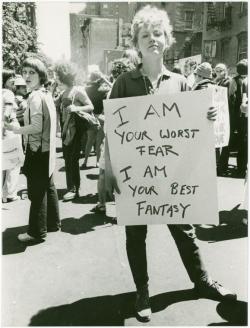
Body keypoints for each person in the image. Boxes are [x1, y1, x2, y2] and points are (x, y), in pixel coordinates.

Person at [105, 6, 236, 323]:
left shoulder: (180, 82)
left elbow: (193, 130)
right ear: (137, 42)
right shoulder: (124, 83)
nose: (152, 39)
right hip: (137, 177)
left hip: (173, 176)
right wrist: (108, 173)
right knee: (136, 235)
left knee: (185, 231)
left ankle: (201, 281)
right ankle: (142, 291)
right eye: (145, 35)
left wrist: (208, 118)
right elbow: (111, 131)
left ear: (167, 40)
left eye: (157, 33)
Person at [5, 57, 61, 242]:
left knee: (37, 193)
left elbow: (36, 126)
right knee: (49, 186)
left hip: (38, 151)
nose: (27, 76)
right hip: (48, 150)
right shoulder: (45, 94)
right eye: (25, 72)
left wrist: (16, 129)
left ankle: (36, 232)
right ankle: (52, 223)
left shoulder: (36, 96)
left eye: (32, 73)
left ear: (40, 75)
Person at [91, 58, 136, 214]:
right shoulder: (134, 90)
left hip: (113, 138)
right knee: (125, 175)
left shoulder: (114, 90)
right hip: (130, 139)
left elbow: (107, 116)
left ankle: (102, 204)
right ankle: (120, 211)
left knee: (105, 173)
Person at [54, 61, 94, 201]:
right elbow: (55, 104)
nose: (56, 78)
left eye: (57, 76)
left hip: (75, 130)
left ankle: (74, 189)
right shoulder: (63, 92)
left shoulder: (78, 90)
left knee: (72, 159)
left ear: (64, 76)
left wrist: (76, 108)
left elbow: (91, 106)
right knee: (68, 159)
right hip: (66, 130)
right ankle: (70, 186)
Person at [82, 70, 111, 169]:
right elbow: (113, 87)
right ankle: (97, 162)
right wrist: (105, 80)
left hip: (91, 117)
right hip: (101, 117)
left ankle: (85, 161)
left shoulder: (87, 89)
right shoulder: (103, 89)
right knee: (99, 142)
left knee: (89, 141)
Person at [2, 89, 23, 203]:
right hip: (9, 127)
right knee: (13, 162)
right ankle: (10, 194)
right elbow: (7, 111)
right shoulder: (8, 93)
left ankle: (4, 193)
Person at [214, 63, 233, 176]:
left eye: (220, 70)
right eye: (216, 70)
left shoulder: (229, 81)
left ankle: (223, 168)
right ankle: (216, 165)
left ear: (225, 70)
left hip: (225, 114)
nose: (218, 72)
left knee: (224, 142)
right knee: (215, 141)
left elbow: (230, 98)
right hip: (216, 114)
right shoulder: (215, 80)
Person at [229, 59, 248, 178]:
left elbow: (231, 97)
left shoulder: (234, 81)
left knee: (242, 142)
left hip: (239, 117)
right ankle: (243, 168)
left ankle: (241, 169)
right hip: (245, 117)